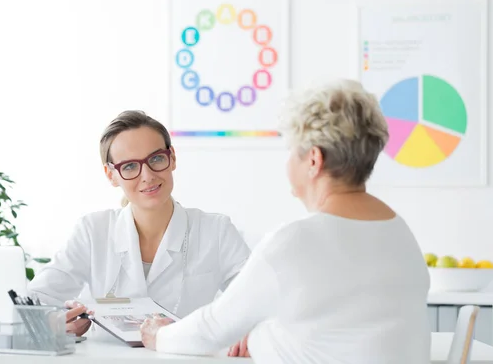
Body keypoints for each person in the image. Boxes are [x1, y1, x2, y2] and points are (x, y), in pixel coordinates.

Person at [140, 79, 431, 363]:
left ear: (314, 161)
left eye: (292, 151)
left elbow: (213, 328)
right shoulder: (400, 232)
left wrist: (158, 335)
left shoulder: (297, 241)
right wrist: (261, 338)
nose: (288, 162)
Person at [28, 110, 251, 336]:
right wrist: (58, 322)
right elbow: (35, 301)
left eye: (156, 159)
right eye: (130, 166)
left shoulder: (216, 231)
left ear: (172, 157)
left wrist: (245, 330)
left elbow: (259, 300)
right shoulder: (93, 231)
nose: (147, 175)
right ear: (111, 175)